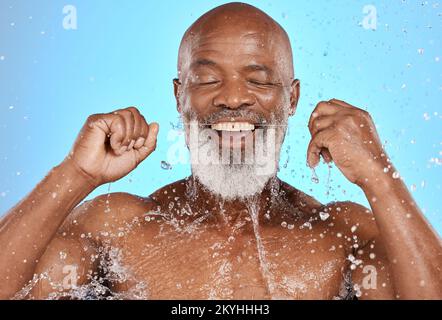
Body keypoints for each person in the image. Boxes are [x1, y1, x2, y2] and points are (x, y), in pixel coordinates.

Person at [0, 2, 441, 300]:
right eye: (208, 79)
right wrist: (75, 174)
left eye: (259, 80)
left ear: (292, 98)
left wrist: (380, 176)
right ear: (179, 96)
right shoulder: (117, 228)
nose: (233, 98)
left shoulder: (340, 235)